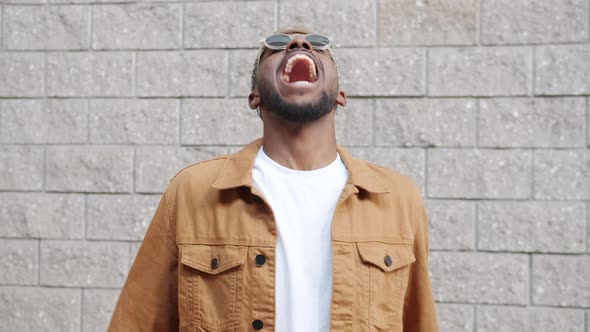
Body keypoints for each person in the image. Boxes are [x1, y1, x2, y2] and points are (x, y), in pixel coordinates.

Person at [108, 25, 438, 332]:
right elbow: (136, 321)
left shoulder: (398, 199)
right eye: (277, 46)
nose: (299, 43)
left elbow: (419, 321)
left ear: (340, 94)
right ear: (255, 97)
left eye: (318, 44)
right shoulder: (192, 192)